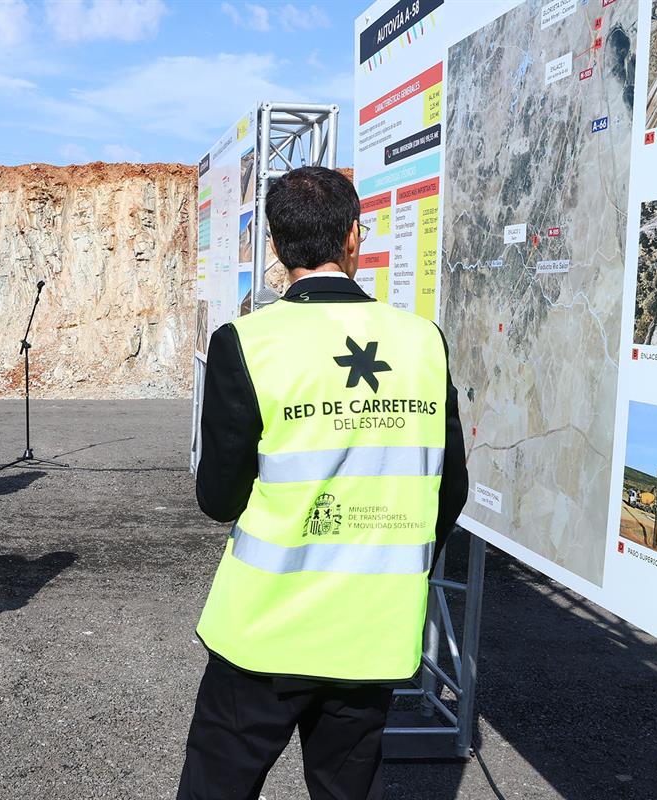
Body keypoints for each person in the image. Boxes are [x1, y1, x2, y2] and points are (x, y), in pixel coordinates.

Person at [177, 166, 469, 800]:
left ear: (276, 249)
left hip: (263, 629)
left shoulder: (247, 343)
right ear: (355, 237)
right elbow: (450, 491)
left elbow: (217, 498)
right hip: (372, 632)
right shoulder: (423, 342)